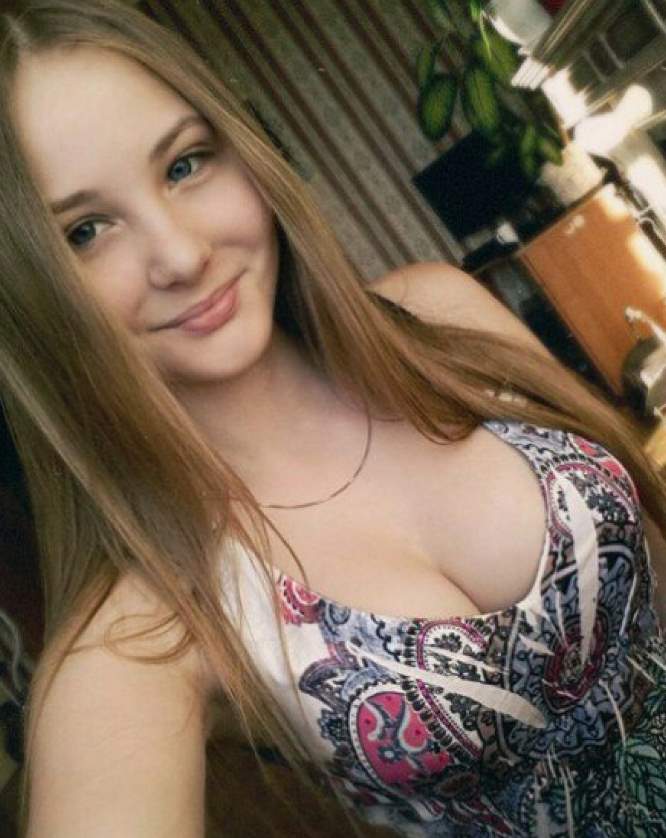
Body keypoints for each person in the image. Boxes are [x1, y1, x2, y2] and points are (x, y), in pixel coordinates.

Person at [1, 1, 665, 836]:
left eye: (185, 165)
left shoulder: (437, 314)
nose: (182, 255)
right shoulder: (145, 629)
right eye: (85, 231)